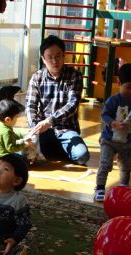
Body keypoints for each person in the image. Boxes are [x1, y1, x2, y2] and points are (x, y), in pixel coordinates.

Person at [25, 35, 90, 165]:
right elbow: (30, 106)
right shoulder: (37, 77)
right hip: (43, 131)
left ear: (64, 56)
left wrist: (50, 121)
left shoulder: (74, 76)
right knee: (25, 154)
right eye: (49, 57)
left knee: (82, 156)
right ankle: (54, 150)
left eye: (58, 56)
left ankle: (52, 150)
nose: (54, 61)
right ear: (43, 59)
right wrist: (34, 128)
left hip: (66, 130)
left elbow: (72, 104)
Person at [94, 63, 131, 201]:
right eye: (128, 87)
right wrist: (113, 123)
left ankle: (124, 186)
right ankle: (100, 187)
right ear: (119, 82)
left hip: (126, 142)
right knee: (105, 164)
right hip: (108, 140)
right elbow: (104, 115)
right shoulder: (113, 100)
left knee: (126, 166)